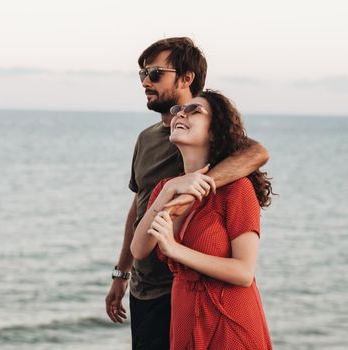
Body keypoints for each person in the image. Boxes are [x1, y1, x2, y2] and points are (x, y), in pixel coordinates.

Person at [105, 37, 270, 349]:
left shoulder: (210, 132)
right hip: (146, 289)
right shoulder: (149, 139)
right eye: (142, 74)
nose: (145, 82)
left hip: (190, 290)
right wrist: (121, 272)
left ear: (186, 77)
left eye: (155, 73)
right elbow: (138, 207)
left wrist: (188, 196)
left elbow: (257, 152)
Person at [131, 89, 273, 349]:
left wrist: (174, 249)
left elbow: (243, 272)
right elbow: (139, 249)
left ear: (215, 131)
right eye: (179, 110)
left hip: (229, 320)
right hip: (184, 317)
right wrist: (166, 192)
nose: (180, 113)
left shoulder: (237, 189)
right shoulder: (166, 187)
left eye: (195, 110)